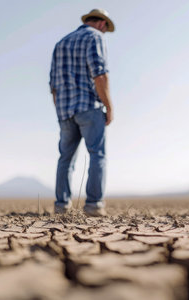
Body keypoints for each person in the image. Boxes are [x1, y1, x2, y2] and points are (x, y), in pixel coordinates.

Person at [49, 9, 115, 216]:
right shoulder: (94, 37)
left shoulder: (61, 43)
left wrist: (60, 111)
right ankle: (94, 205)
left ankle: (61, 205)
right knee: (97, 154)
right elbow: (100, 74)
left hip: (64, 111)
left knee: (65, 159)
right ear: (102, 24)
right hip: (88, 107)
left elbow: (53, 86)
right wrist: (109, 106)